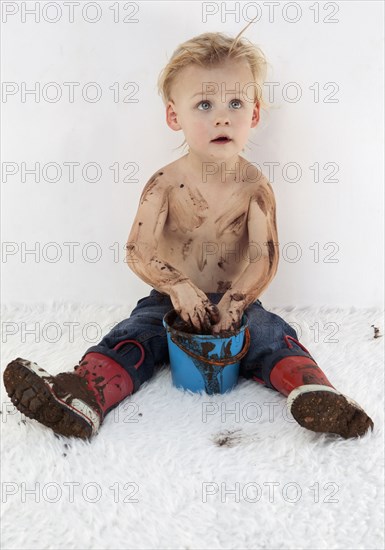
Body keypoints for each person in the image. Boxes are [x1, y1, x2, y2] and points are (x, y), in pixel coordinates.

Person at [3, 27, 374, 441]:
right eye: (204, 104)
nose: (221, 116)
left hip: (237, 303)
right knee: (135, 334)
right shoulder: (163, 183)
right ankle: (84, 395)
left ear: (253, 115)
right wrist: (177, 286)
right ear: (174, 115)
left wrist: (236, 301)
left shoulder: (255, 188)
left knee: (270, 334)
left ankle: (313, 389)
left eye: (235, 103)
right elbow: (138, 249)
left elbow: (263, 256)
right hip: (169, 299)